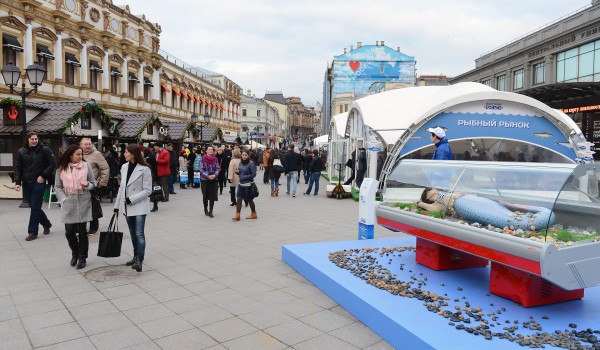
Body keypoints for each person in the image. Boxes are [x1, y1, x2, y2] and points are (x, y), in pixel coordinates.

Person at [415, 187, 555, 231]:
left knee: (501, 211)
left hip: (469, 200)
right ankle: (527, 221)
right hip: (463, 205)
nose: (436, 192)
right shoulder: (439, 200)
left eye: (434, 190)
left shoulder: (444, 194)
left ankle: (525, 216)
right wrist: (420, 203)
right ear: (430, 197)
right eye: (432, 194)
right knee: (504, 218)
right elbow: (436, 210)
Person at [54, 144, 96, 269]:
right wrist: (63, 199)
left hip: (84, 201)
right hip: (69, 202)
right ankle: (75, 252)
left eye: (81, 154)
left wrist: (87, 184)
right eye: (78, 154)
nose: (80, 157)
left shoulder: (86, 166)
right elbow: (57, 187)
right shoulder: (61, 168)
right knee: (69, 232)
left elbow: (93, 183)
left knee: (83, 232)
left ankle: (82, 257)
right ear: (70, 155)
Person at [114, 144, 152, 273]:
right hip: (126, 206)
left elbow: (148, 190)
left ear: (133, 154)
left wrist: (132, 199)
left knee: (139, 234)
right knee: (133, 234)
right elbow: (121, 188)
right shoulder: (124, 167)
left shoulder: (145, 169)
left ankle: (139, 260)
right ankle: (135, 256)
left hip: (139, 205)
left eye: (126, 152)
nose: (124, 154)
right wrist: (116, 206)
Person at [14, 131, 56, 241]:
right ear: (27, 140)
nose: (34, 141)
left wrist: (43, 176)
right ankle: (47, 224)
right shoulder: (20, 151)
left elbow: (53, 164)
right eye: (32, 139)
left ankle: (32, 232)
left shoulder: (45, 149)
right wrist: (18, 182)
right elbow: (18, 168)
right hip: (27, 182)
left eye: (36, 139)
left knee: (35, 206)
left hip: (39, 181)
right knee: (34, 206)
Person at [81, 137, 109, 234]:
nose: (88, 146)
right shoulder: (78, 154)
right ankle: (81, 226)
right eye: (86, 144)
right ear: (81, 145)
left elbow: (105, 169)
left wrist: (100, 183)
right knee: (82, 207)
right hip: (80, 186)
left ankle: (94, 227)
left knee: (93, 206)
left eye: (89, 144)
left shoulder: (97, 154)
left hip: (93, 185)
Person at [232, 149, 257, 221]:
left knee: (249, 200)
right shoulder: (240, 163)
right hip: (241, 184)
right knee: (239, 199)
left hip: (248, 185)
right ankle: (237, 215)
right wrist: (238, 172)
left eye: (245, 155)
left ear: (248, 155)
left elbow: (254, 174)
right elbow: (240, 171)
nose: (244, 156)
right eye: (243, 155)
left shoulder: (251, 163)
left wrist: (244, 177)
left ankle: (254, 213)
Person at [200, 145, 220, 218]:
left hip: (214, 179)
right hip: (205, 180)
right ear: (206, 151)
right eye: (209, 149)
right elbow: (201, 169)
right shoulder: (203, 159)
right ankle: (205, 209)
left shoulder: (215, 159)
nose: (211, 150)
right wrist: (208, 176)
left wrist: (214, 175)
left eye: (212, 149)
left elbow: (218, 168)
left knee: (212, 196)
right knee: (205, 195)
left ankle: (211, 211)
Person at [143, 147, 159, 213]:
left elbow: (154, 167)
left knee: (153, 190)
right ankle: (154, 205)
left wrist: (156, 176)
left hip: (152, 176)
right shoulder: (150, 157)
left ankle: (155, 205)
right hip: (151, 175)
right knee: (151, 190)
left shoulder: (150, 157)